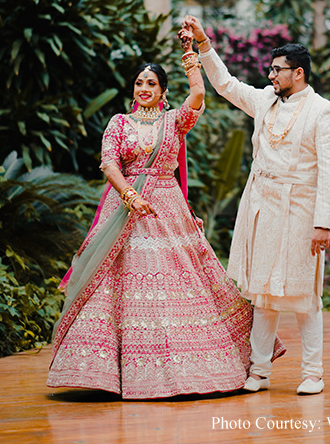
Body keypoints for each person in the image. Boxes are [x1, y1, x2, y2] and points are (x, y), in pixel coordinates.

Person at [47, 31, 284, 399]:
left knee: (182, 277)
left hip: (167, 207)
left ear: (162, 90)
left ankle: (199, 368)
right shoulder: (119, 123)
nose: (144, 88)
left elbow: (200, 95)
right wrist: (128, 194)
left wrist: (190, 53)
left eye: (152, 83)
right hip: (125, 207)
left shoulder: (174, 121)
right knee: (115, 282)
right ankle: (102, 373)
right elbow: (109, 162)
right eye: (140, 82)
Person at [181, 16, 330, 395]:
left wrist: (324, 224)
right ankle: (258, 371)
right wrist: (204, 43)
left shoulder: (324, 112)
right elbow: (224, 84)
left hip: (302, 212)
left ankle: (313, 373)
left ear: (298, 73)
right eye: (270, 69)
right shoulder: (265, 100)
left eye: (277, 70)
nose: (270, 75)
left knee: (305, 295)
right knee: (262, 293)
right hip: (261, 207)